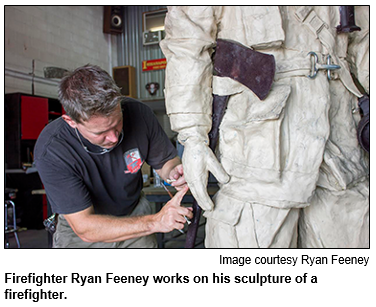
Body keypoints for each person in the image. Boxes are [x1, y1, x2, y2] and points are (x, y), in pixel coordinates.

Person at [160, 6, 369, 248]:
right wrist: (192, 135)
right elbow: (187, 44)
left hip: (342, 150)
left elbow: (364, 43)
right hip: (259, 156)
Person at [34, 64, 193, 248]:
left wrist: (174, 172)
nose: (113, 137)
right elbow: (85, 227)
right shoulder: (53, 149)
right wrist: (156, 222)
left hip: (135, 215)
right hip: (84, 231)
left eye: (117, 124)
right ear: (71, 122)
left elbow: (166, 161)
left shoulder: (139, 114)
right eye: (100, 132)